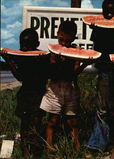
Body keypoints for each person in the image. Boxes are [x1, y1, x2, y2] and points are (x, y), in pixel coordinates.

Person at [40, 20, 91, 152]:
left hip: (71, 88)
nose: (63, 44)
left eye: (67, 41)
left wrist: (84, 64)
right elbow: (52, 74)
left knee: (72, 121)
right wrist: (57, 60)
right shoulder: (53, 52)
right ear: (57, 34)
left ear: (73, 38)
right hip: (55, 88)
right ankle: (48, 147)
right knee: (53, 120)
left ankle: (76, 148)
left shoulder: (76, 52)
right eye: (61, 40)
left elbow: (74, 74)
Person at [0, 28, 49, 158]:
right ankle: (25, 150)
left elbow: (46, 75)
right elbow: (20, 77)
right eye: (22, 44)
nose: (24, 47)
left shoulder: (43, 57)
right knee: (25, 123)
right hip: (25, 95)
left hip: (39, 95)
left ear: (37, 44)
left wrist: (41, 62)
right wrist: (9, 60)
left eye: (28, 44)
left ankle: (35, 150)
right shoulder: (21, 57)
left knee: (36, 123)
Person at [86, 0, 114, 152]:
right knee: (102, 108)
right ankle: (97, 144)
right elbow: (97, 48)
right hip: (105, 70)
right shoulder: (98, 28)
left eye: (112, 11)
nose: (109, 14)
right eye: (106, 11)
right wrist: (98, 29)